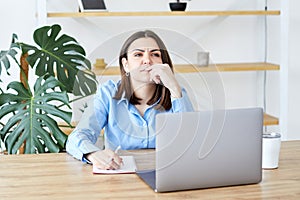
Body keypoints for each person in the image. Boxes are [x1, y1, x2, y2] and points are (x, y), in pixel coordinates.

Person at [66, 30, 194, 170]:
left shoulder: (177, 94)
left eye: (155, 54)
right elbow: (77, 136)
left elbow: (191, 143)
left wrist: (174, 88)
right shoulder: (108, 94)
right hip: (119, 177)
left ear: (164, 63)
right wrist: (93, 154)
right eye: (138, 54)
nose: (147, 60)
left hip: (166, 174)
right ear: (126, 65)